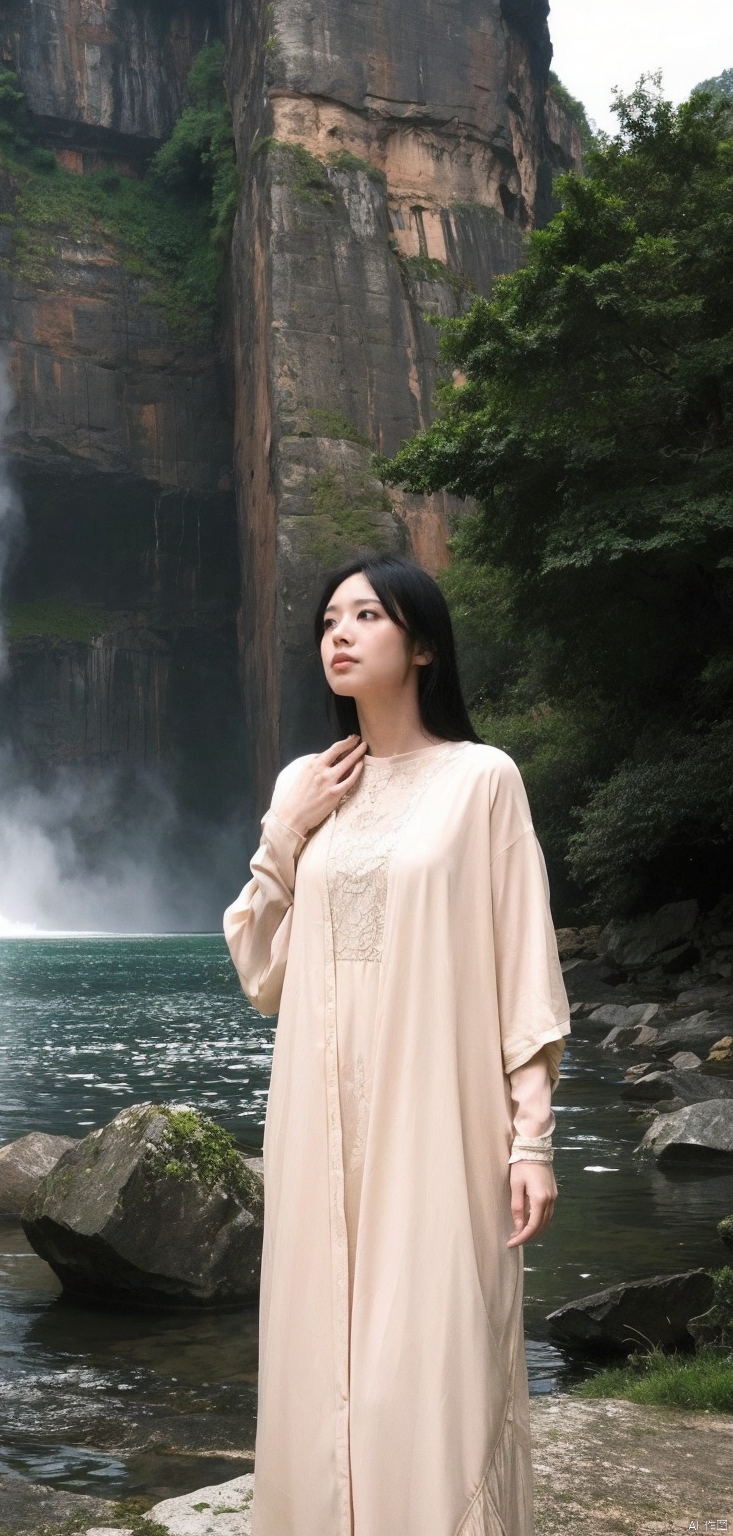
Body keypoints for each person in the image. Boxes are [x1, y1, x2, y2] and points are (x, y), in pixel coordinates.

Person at [223, 554, 571, 1536]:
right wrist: (281, 836)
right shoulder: (309, 784)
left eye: (365, 615)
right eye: (328, 618)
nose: (337, 633)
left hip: (438, 1122)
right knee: (320, 1359)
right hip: (316, 1125)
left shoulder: (481, 780)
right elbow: (262, 971)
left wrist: (530, 1140)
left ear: (420, 645)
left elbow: (523, 971)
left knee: (430, 1364)